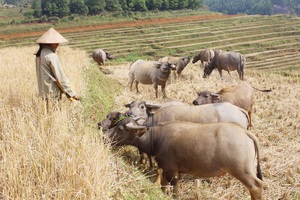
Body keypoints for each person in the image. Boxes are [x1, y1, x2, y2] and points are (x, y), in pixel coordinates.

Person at [35, 27, 79, 109]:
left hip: (43, 91)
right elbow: (60, 76)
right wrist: (71, 93)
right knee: (55, 111)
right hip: (52, 92)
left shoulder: (39, 54)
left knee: (48, 112)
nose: (58, 44)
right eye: (56, 42)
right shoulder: (51, 56)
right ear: (50, 43)